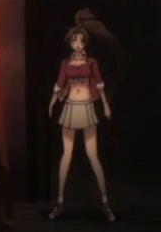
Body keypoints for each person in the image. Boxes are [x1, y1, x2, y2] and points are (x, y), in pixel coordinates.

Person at [47, 24, 114, 221]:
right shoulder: (65, 63)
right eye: (74, 40)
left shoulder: (91, 62)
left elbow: (99, 85)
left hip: (86, 108)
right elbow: (59, 84)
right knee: (66, 154)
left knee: (92, 155)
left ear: (84, 42)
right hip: (70, 107)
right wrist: (52, 103)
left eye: (80, 40)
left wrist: (106, 106)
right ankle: (60, 202)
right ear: (70, 42)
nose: (77, 43)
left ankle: (105, 203)